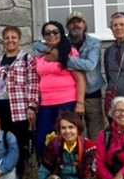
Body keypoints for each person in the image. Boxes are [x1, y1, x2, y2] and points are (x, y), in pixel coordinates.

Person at [35, 12, 106, 141]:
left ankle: (95, 154)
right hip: (68, 96)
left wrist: (61, 57)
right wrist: (51, 50)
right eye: (72, 22)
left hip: (91, 91)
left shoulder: (93, 43)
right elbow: (37, 45)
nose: (75, 25)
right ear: (67, 27)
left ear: (84, 24)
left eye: (78, 21)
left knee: (95, 132)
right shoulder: (63, 43)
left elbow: (90, 65)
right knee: (71, 134)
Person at [0, 26, 38, 176]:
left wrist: (32, 106)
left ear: (19, 40)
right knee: (2, 142)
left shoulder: (26, 59)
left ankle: (19, 177)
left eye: (13, 37)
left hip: (19, 109)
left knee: (19, 143)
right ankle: (4, 176)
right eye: (7, 38)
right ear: (3, 40)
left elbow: (33, 82)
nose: (10, 40)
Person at [34, 21, 86, 156]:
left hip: (66, 101)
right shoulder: (40, 57)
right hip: (45, 104)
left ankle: (67, 166)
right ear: (44, 36)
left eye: (55, 32)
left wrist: (80, 103)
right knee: (40, 140)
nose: (52, 35)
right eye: (48, 33)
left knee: (66, 137)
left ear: (61, 34)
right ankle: (47, 167)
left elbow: (80, 79)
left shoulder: (69, 53)